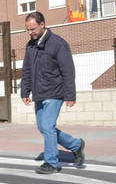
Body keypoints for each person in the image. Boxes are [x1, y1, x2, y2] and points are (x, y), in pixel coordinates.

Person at [20, 11, 85, 174]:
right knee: (43, 127)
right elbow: (27, 70)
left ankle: (52, 163)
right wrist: (25, 91)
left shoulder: (58, 44)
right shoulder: (30, 45)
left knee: (48, 126)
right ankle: (76, 145)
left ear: (42, 25)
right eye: (27, 29)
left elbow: (68, 71)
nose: (30, 33)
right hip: (39, 93)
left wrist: (70, 95)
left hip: (55, 92)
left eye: (33, 29)